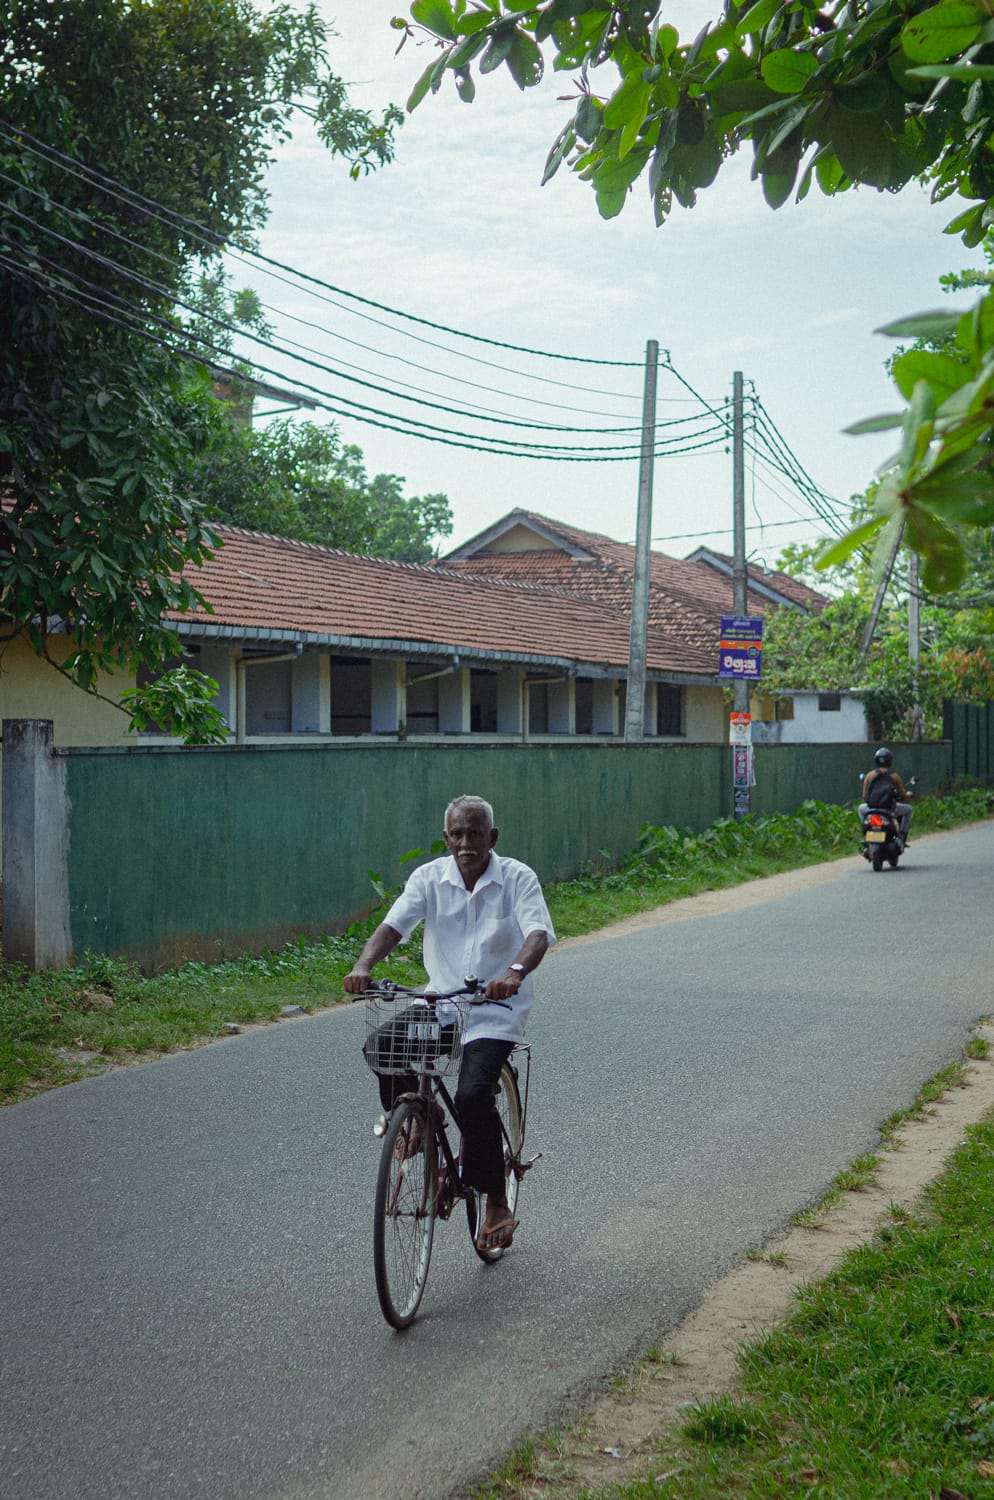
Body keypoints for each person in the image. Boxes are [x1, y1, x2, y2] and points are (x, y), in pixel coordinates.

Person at [343, 794, 555, 1253]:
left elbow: (538, 933)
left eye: (474, 834)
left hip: (494, 1013)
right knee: (384, 1048)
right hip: (442, 1003)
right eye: (456, 834)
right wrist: (364, 964)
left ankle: (496, 1199)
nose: (465, 843)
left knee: (474, 1095)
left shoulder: (518, 879)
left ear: (491, 837)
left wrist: (514, 973)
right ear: (446, 838)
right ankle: (422, 1113)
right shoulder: (429, 878)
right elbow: (394, 926)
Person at [860, 747, 913, 845]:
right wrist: (908, 795)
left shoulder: (869, 775)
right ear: (890, 761)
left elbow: (865, 796)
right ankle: (902, 836)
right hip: (889, 809)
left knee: (860, 808)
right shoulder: (894, 776)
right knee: (909, 810)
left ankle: (866, 831)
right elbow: (902, 794)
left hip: (871, 809)